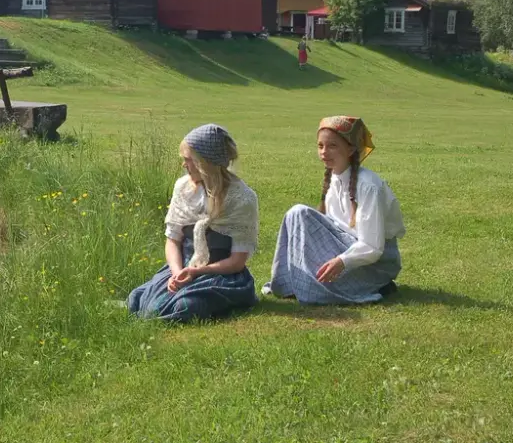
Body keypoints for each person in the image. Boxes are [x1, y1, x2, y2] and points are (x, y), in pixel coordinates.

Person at [263, 116, 405, 304]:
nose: (324, 152)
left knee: (299, 212)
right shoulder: (334, 179)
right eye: (320, 146)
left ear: (351, 149)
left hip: (375, 265)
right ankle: (291, 280)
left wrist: (341, 261)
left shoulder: (369, 186)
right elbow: (334, 226)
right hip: (347, 248)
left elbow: (373, 247)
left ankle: (372, 284)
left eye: (332, 146)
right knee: (295, 214)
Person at [127, 124, 259, 323]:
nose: (184, 165)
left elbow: (237, 261)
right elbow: (173, 240)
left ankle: (228, 299)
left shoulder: (242, 198)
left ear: (204, 163)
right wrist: (177, 272)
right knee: (137, 299)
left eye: (188, 159)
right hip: (183, 267)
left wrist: (198, 271)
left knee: (184, 306)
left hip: (221, 273)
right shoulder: (183, 188)